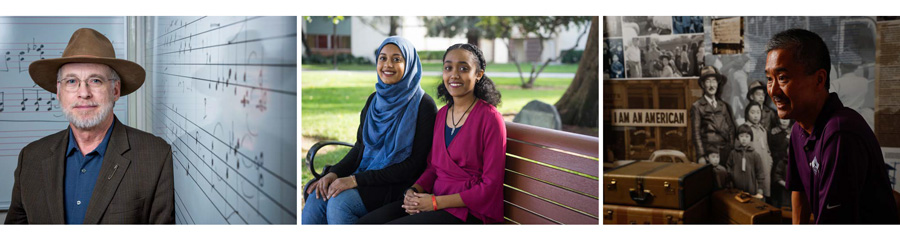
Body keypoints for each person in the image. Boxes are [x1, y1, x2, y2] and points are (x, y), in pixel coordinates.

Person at [5, 28, 174, 224]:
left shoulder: (155, 156)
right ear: (59, 91)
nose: (83, 93)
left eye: (95, 80)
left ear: (115, 90)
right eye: (71, 81)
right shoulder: (31, 157)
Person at [358, 43, 506, 224]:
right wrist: (413, 190)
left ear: (478, 74)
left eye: (463, 68)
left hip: (469, 211)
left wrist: (435, 203)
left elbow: (490, 186)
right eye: (448, 67)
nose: (454, 74)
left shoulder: (490, 119)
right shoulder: (442, 113)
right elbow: (433, 168)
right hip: (434, 200)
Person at [765, 28, 898, 224]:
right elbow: (799, 191)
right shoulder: (798, 130)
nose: (773, 90)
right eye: (769, 79)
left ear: (819, 79)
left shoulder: (840, 133)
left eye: (783, 78)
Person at [302, 37, 437, 224]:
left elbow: (414, 165)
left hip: (399, 185)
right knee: (318, 195)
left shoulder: (424, 105)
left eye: (396, 59)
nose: (387, 65)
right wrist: (333, 173)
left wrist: (355, 180)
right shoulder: (374, 100)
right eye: (382, 58)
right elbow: (360, 147)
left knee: (340, 202)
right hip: (367, 175)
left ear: (410, 64)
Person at [691, 66, 736, 165]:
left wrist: (731, 148)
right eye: (708, 82)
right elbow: (696, 133)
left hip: (725, 151)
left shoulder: (722, 105)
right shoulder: (697, 107)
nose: (712, 85)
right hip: (709, 153)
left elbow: (731, 128)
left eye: (714, 81)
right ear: (703, 85)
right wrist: (701, 155)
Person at [744, 102, 774, 200]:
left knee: (763, 197)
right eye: (752, 112)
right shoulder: (745, 129)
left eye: (758, 112)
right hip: (751, 170)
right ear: (747, 113)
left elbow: (767, 150)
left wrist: (769, 162)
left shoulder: (763, 130)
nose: (756, 115)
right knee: (752, 196)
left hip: (764, 168)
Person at [729, 125, 766, 199]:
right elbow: (728, 168)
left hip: (750, 188)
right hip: (736, 188)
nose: (744, 139)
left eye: (747, 136)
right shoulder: (733, 153)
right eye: (741, 136)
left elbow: (760, 172)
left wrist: (760, 188)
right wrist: (730, 183)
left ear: (750, 138)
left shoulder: (755, 155)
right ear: (738, 138)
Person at [769, 119, 793, 208]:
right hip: (778, 162)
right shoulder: (773, 132)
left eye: (787, 119)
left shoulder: (792, 132)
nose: (784, 121)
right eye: (782, 119)